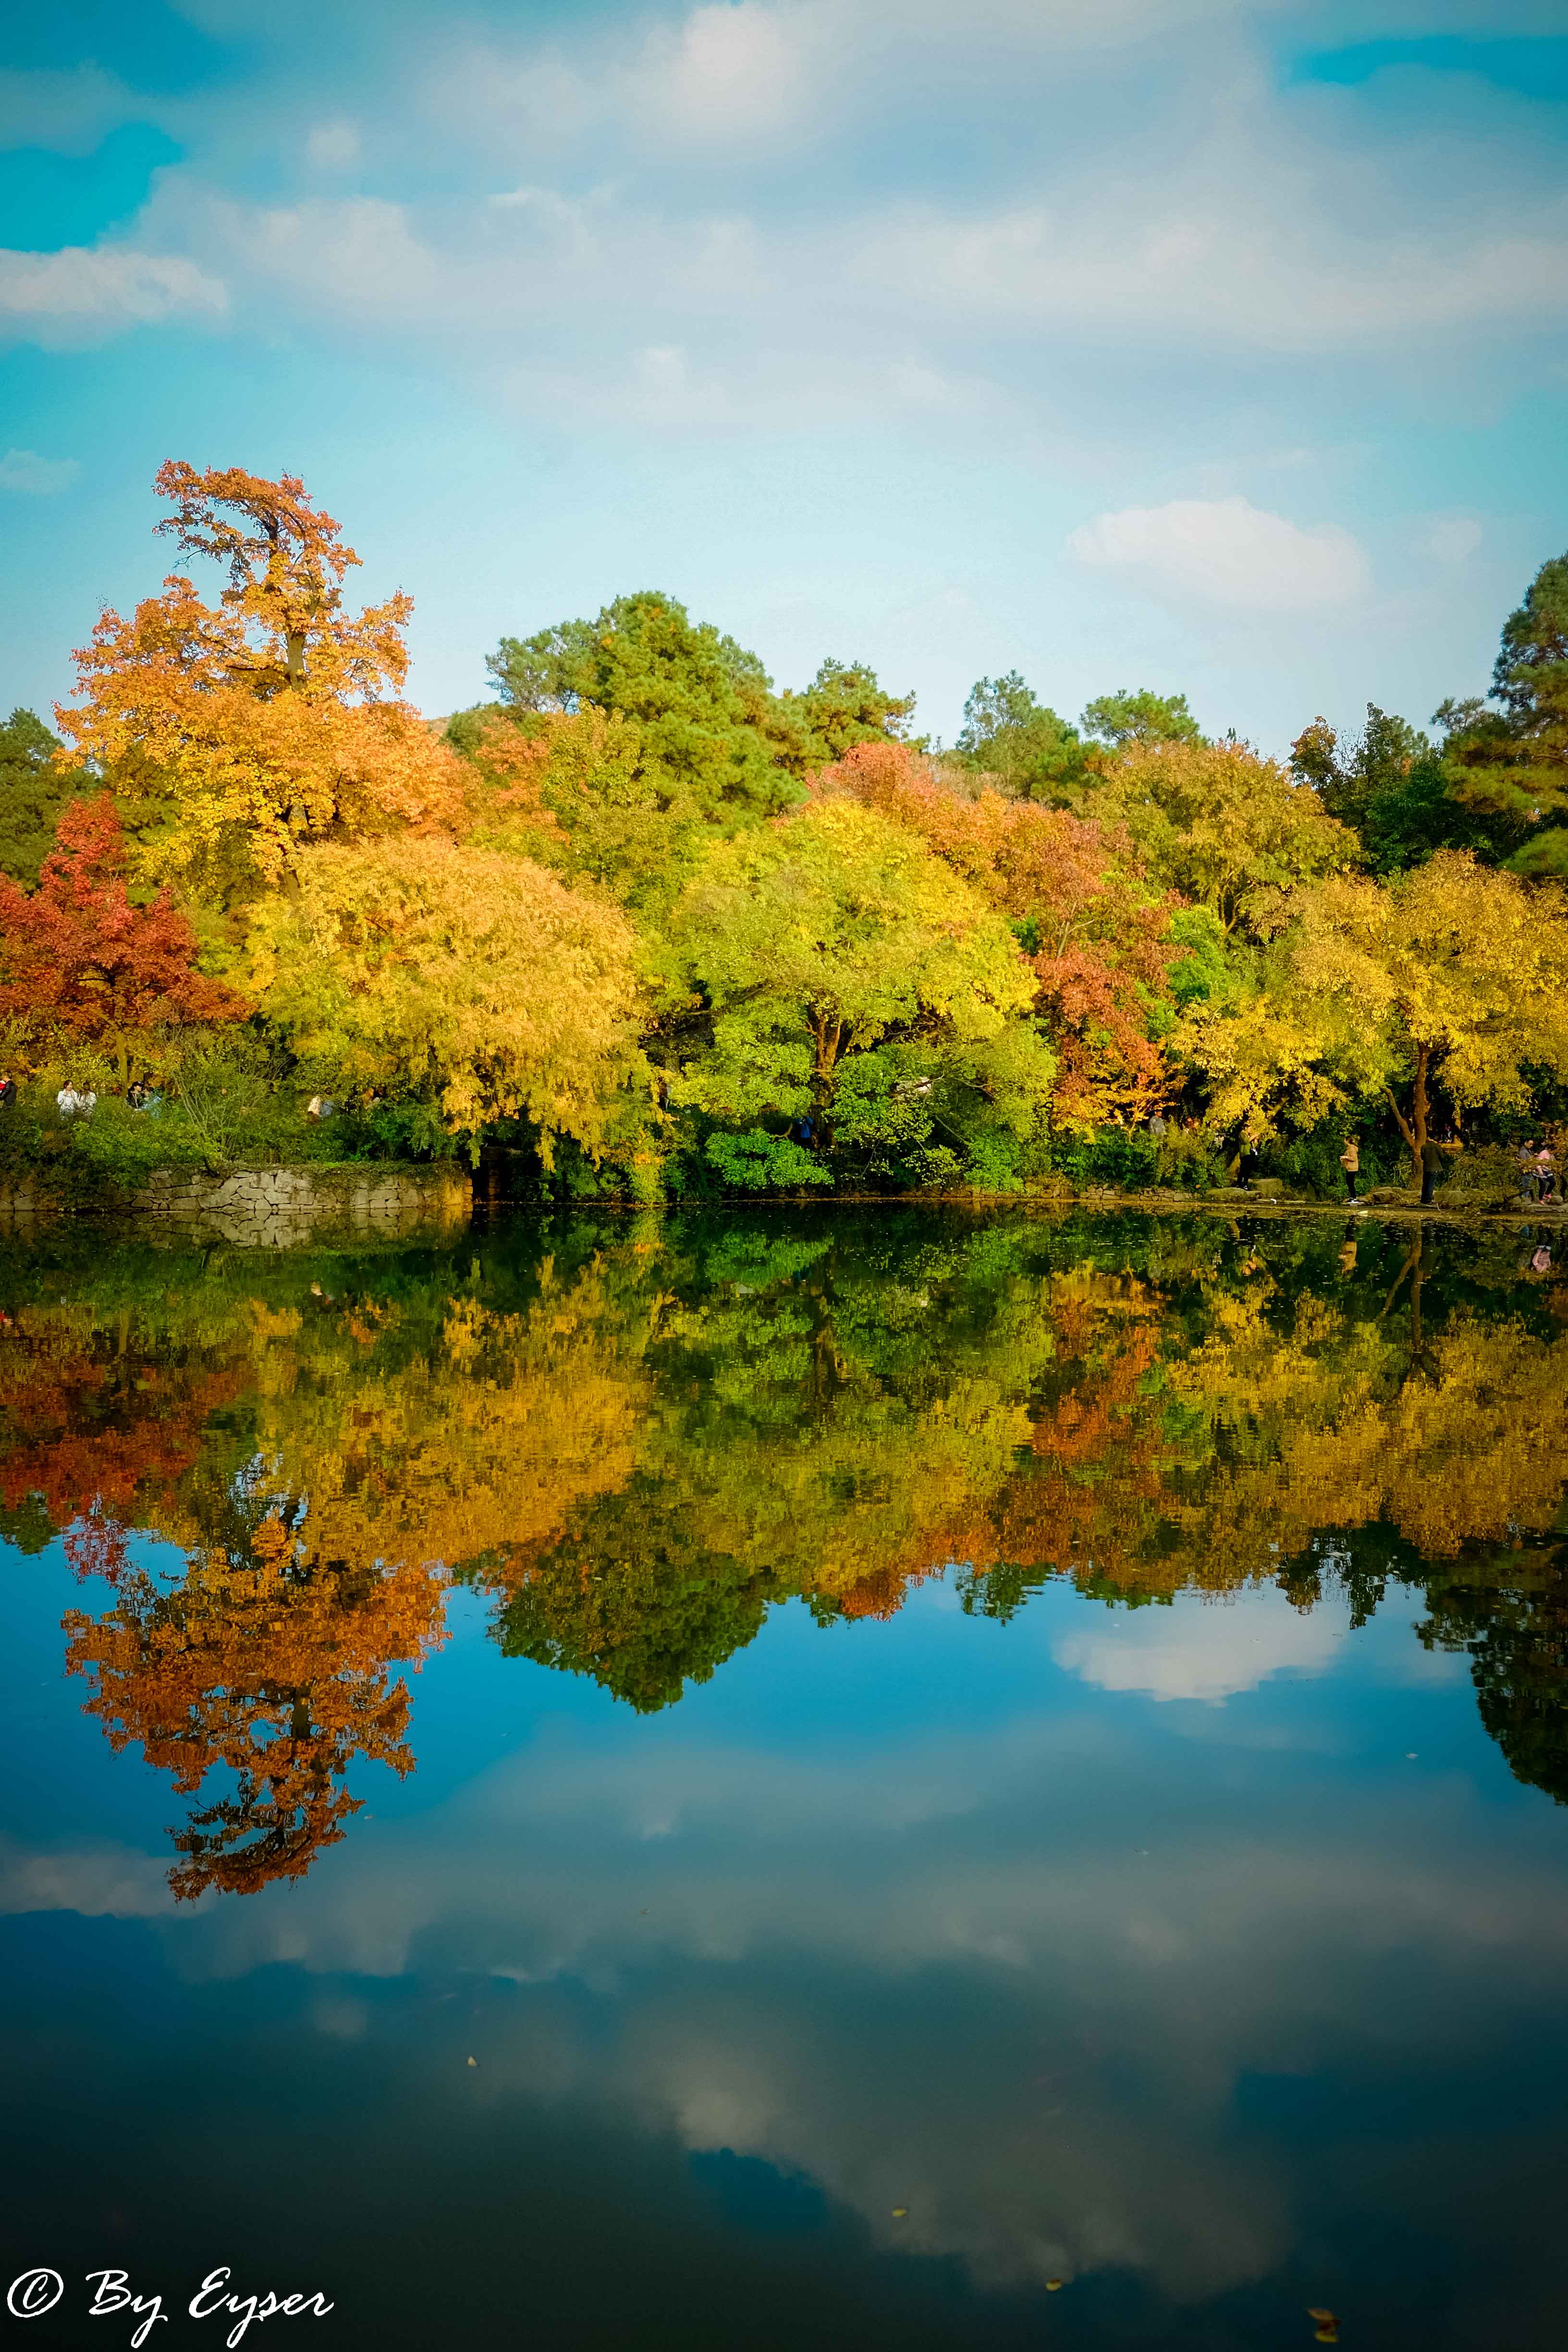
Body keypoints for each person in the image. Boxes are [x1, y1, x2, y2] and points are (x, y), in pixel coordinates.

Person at [1339, 1134, 1360, 1202]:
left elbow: (1354, 1158)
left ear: (1347, 1141)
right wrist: (1343, 1159)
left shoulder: (1352, 1148)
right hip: (1350, 1168)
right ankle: (1352, 1197)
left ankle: (1354, 1198)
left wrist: (1346, 1157)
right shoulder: (1349, 1148)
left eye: (1344, 1140)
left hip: (1352, 1169)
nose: (1343, 1141)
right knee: (1349, 1182)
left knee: (1350, 1183)